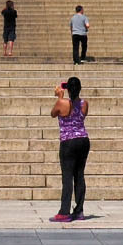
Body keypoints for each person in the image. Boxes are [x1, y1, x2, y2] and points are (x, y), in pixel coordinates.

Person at [51, 76, 90, 222]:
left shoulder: (62, 103)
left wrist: (60, 97)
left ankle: (64, 211)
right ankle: (79, 210)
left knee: (67, 177)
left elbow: (53, 113)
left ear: (67, 88)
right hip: (83, 140)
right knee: (79, 176)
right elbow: (81, 115)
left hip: (68, 142)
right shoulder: (84, 103)